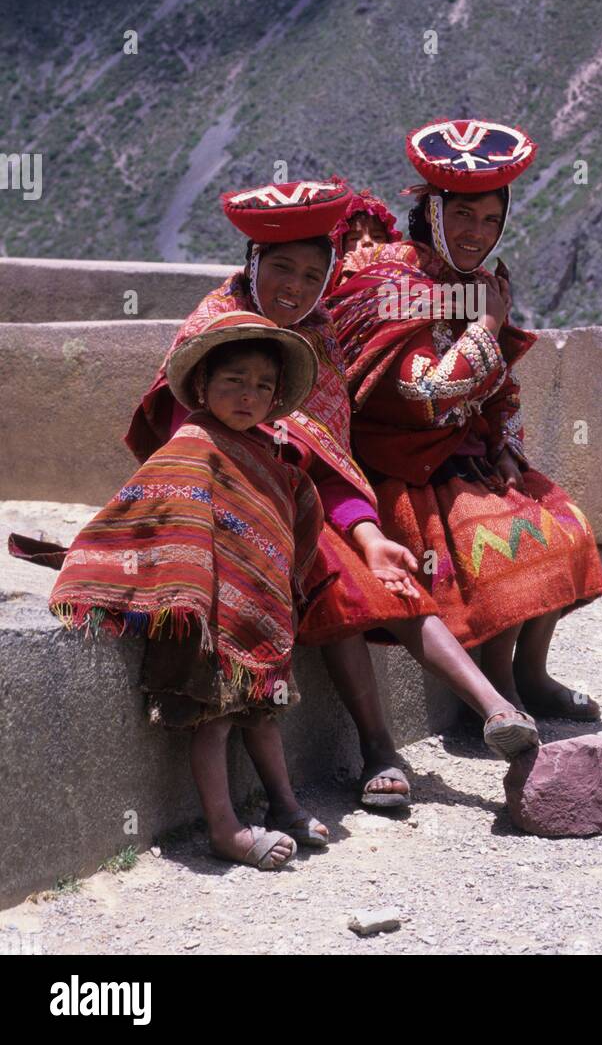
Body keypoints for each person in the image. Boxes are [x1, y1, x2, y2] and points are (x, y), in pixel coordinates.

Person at [124, 177, 539, 808]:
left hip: (298, 509)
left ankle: (495, 711)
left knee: (379, 570)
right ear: (252, 265)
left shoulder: (316, 340)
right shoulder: (213, 335)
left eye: (313, 272)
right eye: (281, 268)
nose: (294, 287)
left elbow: (328, 461)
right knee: (337, 575)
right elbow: (191, 458)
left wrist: (371, 536)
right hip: (218, 517)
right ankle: (382, 744)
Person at [328, 118, 602, 720]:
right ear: (433, 213)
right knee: (503, 541)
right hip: (405, 467)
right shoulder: (393, 282)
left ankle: (532, 673)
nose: (476, 233)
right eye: (462, 216)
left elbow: (502, 383)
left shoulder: (477, 283)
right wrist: (484, 327)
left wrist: (507, 447)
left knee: (564, 521)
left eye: (490, 220)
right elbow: (421, 394)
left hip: (467, 455)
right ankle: (499, 684)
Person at [48, 311, 328, 871]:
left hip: (251, 618)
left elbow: (284, 521)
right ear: (202, 384)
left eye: (263, 386)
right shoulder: (193, 443)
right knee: (214, 720)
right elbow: (154, 508)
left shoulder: (266, 457)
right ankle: (224, 829)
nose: (249, 395)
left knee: (265, 715)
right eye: (234, 380)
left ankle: (286, 804)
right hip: (202, 619)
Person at [330, 188, 401, 285]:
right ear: (342, 248)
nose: (367, 241)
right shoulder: (334, 285)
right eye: (354, 238)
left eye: (377, 236)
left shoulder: (401, 277)